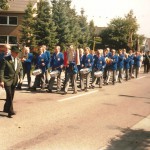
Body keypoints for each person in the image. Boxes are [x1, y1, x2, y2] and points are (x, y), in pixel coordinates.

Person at [0, 46, 23, 118]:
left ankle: (6, 108)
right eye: (16, 53)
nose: (17, 54)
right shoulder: (5, 59)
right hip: (7, 80)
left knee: (11, 96)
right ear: (12, 52)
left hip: (14, 80)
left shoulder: (18, 60)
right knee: (9, 96)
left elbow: (21, 69)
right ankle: (10, 111)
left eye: (18, 53)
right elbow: (2, 70)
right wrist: (2, 81)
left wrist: (21, 77)